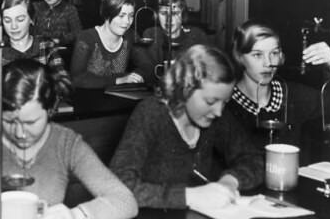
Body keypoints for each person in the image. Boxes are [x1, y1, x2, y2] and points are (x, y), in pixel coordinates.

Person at [0, 59, 137, 219]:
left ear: (50, 110)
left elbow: (125, 201)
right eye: (8, 121)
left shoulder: (66, 143)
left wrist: (76, 217)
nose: (20, 133)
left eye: (31, 122)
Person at [109, 44, 263, 209]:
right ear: (185, 89)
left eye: (225, 102)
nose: (218, 111)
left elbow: (253, 159)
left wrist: (230, 181)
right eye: (210, 101)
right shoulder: (152, 113)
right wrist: (189, 197)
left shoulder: (216, 116)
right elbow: (118, 187)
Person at [225, 20, 330, 152]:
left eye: (274, 53)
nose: (268, 63)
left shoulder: (294, 95)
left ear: (281, 56)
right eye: (257, 55)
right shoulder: (224, 103)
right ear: (239, 57)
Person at [69, 0, 144, 89]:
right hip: (88, 97)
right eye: (121, 16)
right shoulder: (86, 38)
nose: (127, 22)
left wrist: (136, 76)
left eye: (130, 16)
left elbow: (145, 66)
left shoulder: (130, 36)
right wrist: (119, 80)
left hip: (118, 96)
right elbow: (77, 79)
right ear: (107, 15)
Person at [132, 0, 211, 80]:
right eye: (164, 13)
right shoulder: (151, 35)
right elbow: (146, 68)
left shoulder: (197, 36)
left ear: (182, 14)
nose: (168, 20)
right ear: (157, 15)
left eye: (174, 13)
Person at [0, 0, 62, 70]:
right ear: (1, 21)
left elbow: (62, 79)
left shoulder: (47, 46)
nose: (13, 26)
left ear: (32, 19)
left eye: (20, 20)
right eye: (7, 21)